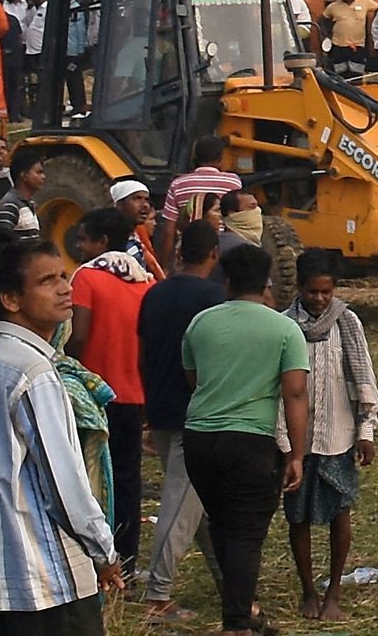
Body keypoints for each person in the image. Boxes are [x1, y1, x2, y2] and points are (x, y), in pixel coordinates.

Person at [0, 241, 121, 635]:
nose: (64, 288)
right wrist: (103, 550)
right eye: (47, 281)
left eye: (64, 276)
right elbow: (64, 484)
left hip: (3, 574)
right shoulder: (33, 371)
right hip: (48, 579)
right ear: (11, 299)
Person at [182, 241, 308, 635]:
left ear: (228, 282)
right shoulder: (285, 328)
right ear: (267, 283)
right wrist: (296, 455)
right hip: (250, 441)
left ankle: (244, 609)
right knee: (246, 535)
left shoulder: (201, 323)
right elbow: (295, 394)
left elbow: (195, 380)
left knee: (222, 524)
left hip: (199, 439)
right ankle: (236, 623)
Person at [279, 250, 378, 623]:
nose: (320, 299)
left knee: (340, 512)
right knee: (298, 517)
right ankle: (308, 590)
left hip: (339, 434)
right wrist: (283, 443)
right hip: (296, 442)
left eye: (326, 292)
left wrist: (366, 430)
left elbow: (364, 379)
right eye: (312, 292)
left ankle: (334, 590)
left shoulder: (347, 323)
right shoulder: (284, 325)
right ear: (299, 288)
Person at [135, 219, 226, 619]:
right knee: (179, 502)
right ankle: (158, 595)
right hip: (197, 412)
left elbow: (142, 354)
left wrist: (147, 406)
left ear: (179, 252)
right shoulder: (214, 298)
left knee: (199, 505)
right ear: (213, 255)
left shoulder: (154, 294)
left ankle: (230, 582)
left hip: (160, 405)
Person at [66, 206, 151, 576]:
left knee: (89, 478)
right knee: (128, 479)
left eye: (84, 239)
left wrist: (66, 364)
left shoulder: (85, 278)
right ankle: (127, 560)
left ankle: (94, 560)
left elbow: (79, 333)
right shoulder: (144, 280)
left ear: (100, 242)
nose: (80, 246)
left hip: (93, 395)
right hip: (133, 393)